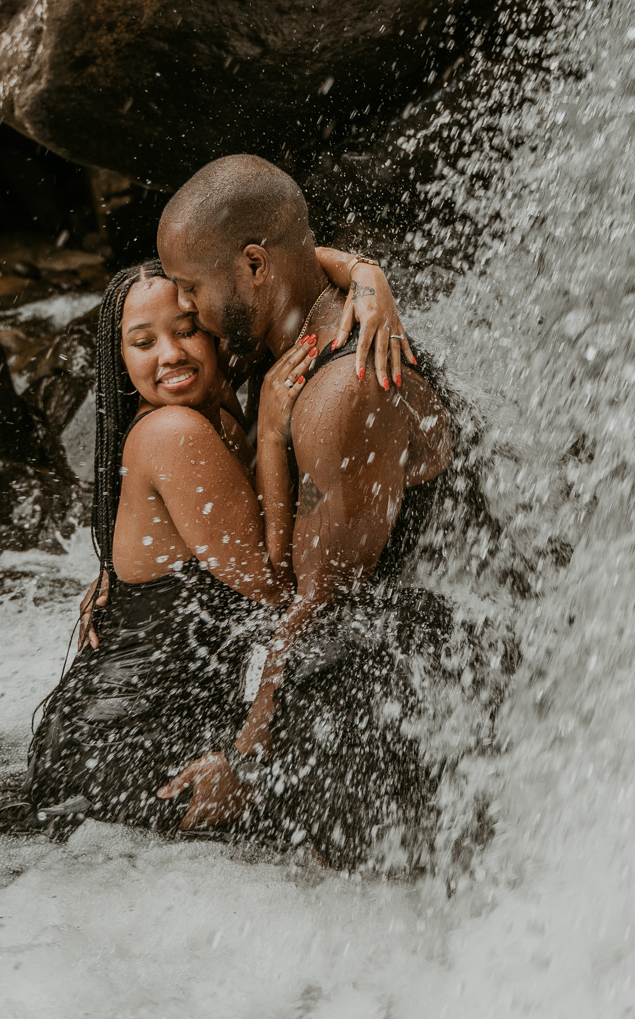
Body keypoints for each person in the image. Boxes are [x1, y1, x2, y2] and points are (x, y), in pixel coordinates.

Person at [23, 241, 417, 836]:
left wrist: (367, 275)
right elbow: (276, 583)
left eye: (186, 329)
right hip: (116, 742)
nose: (170, 355)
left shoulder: (226, 402)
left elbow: (283, 253)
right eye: (143, 341)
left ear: (212, 326)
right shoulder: (173, 431)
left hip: (185, 718)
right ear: (120, 357)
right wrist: (271, 436)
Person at [151, 154, 454, 865]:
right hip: (373, 639)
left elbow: (312, 605)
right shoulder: (291, 319)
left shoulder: (340, 395)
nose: (184, 307)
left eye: (191, 286)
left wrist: (244, 762)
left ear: (254, 268)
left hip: (426, 669)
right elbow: (293, 248)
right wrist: (365, 271)